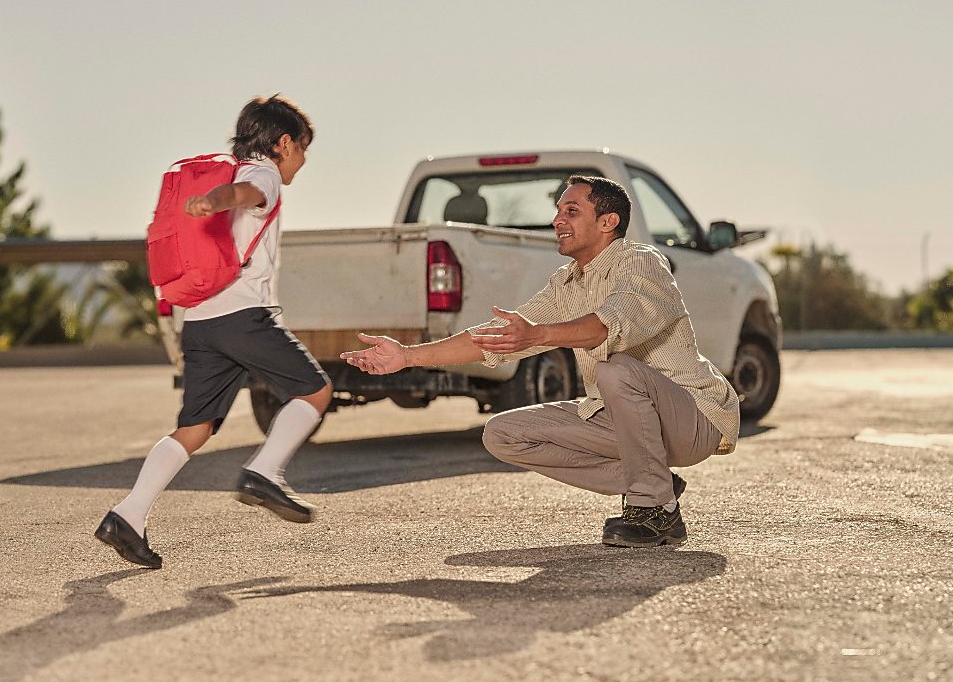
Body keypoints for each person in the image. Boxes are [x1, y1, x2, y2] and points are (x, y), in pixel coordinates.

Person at [342, 175, 739, 547]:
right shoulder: (567, 282)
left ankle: (656, 510)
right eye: (558, 211)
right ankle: (653, 482)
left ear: (608, 221)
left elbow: (607, 326)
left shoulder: (641, 262)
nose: (556, 220)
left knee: (615, 369)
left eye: (571, 211)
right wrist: (407, 357)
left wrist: (540, 333)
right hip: (621, 420)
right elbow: (497, 337)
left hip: (693, 418)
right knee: (502, 433)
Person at [96, 95, 332, 569]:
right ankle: (264, 472)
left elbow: (233, 195)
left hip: (201, 322)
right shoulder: (261, 174)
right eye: (304, 149)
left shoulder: (232, 169)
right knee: (317, 392)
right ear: (283, 143)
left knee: (195, 427)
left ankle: (128, 515)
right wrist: (213, 202)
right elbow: (244, 195)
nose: (303, 161)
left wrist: (212, 199)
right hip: (244, 316)